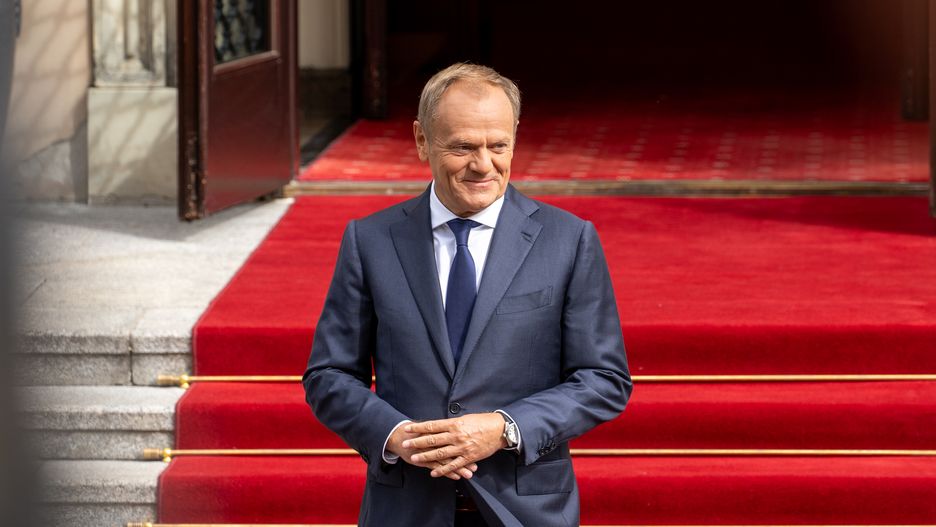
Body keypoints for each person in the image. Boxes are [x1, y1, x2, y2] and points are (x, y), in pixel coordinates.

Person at [302, 63, 631, 527]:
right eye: (462, 147)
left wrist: (504, 428)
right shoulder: (371, 240)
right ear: (422, 141)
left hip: (526, 509)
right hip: (406, 509)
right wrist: (397, 435)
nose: (483, 165)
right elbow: (329, 374)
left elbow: (603, 378)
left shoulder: (569, 240)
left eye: (499, 146)